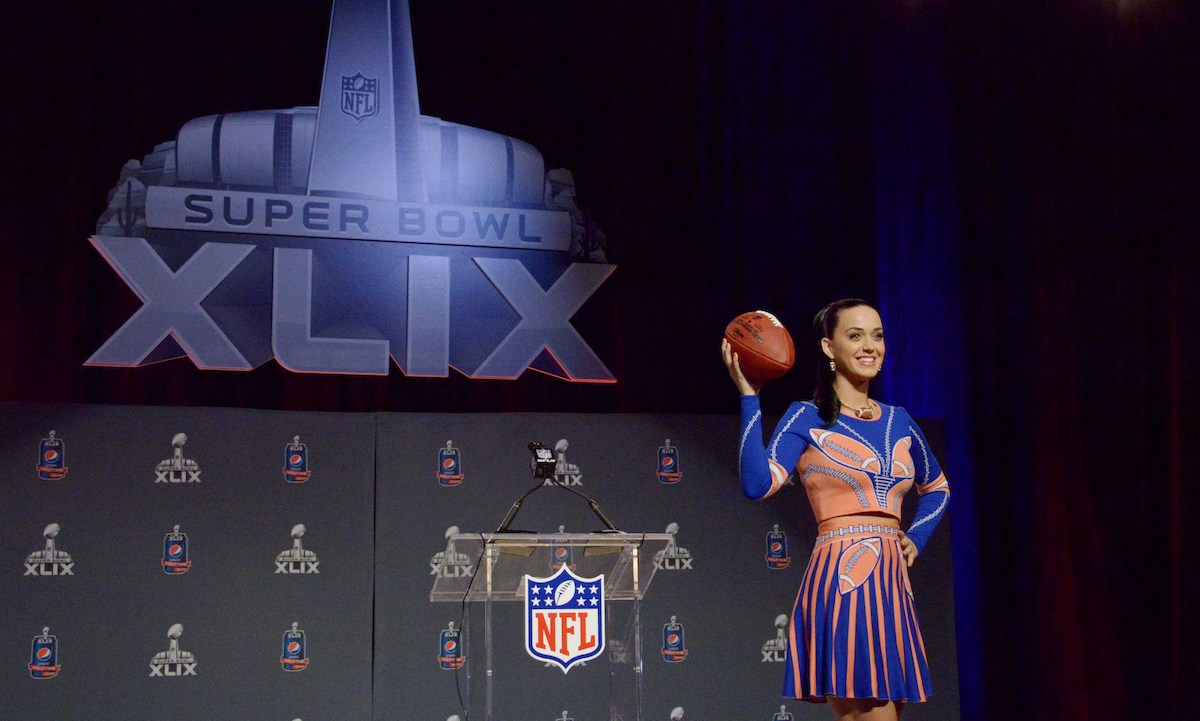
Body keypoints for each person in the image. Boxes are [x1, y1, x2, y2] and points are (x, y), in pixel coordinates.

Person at [721, 299, 950, 721]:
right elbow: (758, 484)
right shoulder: (806, 417)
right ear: (829, 347)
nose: (870, 346)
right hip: (846, 580)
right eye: (855, 336)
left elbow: (937, 488)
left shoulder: (899, 420)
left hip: (892, 585)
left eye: (877, 336)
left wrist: (916, 539)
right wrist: (750, 398)